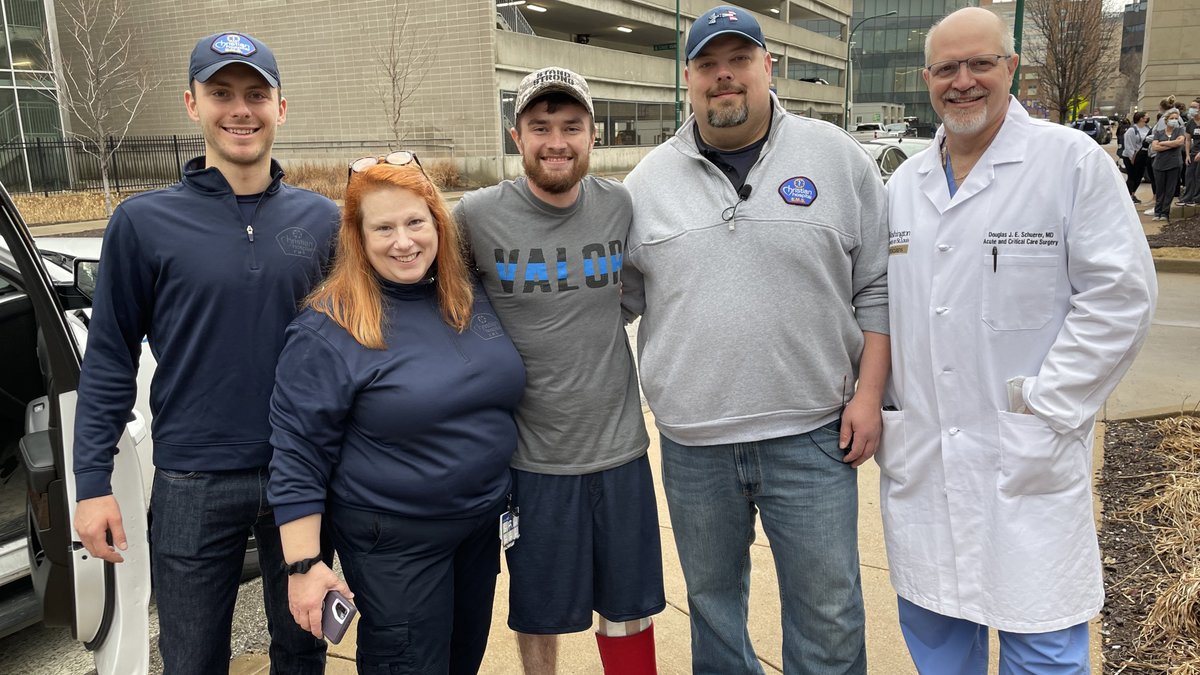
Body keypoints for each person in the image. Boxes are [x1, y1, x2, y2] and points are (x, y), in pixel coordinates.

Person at [879, 7, 1157, 673]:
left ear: (1011, 69)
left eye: (980, 64)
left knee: (1043, 649)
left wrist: (1049, 405)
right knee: (940, 643)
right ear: (928, 79)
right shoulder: (902, 187)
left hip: (1026, 454)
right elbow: (882, 307)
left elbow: (1121, 297)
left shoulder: (1070, 164)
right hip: (926, 461)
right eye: (947, 68)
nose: (963, 81)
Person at [622, 5, 890, 673]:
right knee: (713, 609)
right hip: (693, 443)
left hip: (813, 434)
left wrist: (870, 393)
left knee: (828, 612)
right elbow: (611, 305)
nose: (724, 77)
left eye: (739, 60)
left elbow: (877, 288)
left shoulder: (838, 159)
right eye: (708, 65)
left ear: (769, 67)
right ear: (688, 78)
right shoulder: (645, 184)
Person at [71, 33, 340, 674]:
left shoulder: (325, 220)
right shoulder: (142, 223)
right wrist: (91, 484)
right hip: (193, 480)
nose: (240, 110)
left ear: (282, 107)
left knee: (302, 655)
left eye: (256, 94)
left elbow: (357, 347)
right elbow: (109, 356)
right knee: (191, 661)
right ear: (192, 103)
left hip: (302, 476)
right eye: (221, 93)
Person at [267, 155, 526, 673]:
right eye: (383, 227)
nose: (403, 241)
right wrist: (302, 564)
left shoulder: (464, 296)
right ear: (358, 238)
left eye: (415, 222)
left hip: (478, 529)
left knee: (461, 661)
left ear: (437, 223)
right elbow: (297, 452)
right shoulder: (329, 326)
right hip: (397, 543)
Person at [454, 67, 663, 674]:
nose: (556, 141)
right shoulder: (476, 216)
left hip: (620, 449)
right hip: (531, 462)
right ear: (515, 135)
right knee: (538, 609)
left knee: (629, 607)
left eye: (571, 126)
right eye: (540, 126)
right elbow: (450, 310)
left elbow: (629, 296)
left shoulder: (618, 206)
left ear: (591, 135)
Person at [1151, 108, 1187, 220]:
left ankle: (1165, 213)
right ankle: (1157, 212)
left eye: (1176, 119)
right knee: (1160, 189)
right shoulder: (1158, 133)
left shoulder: (1180, 131)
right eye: (1172, 118)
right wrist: (1172, 144)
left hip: (1174, 164)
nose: (1174, 120)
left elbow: (1180, 142)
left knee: (1170, 189)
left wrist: (1164, 143)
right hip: (1159, 165)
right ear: (1166, 121)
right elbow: (1155, 147)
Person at [1122, 111, 1151, 202]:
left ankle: (1133, 194)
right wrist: (1132, 158)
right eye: (1146, 116)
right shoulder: (1132, 130)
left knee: (1139, 176)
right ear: (1141, 118)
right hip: (1131, 157)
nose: (1147, 118)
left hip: (1142, 156)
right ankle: (1127, 195)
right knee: (1132, 176)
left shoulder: (1148, 128)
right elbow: (1128, 145)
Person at [1179, 99, 1200, 206]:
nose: (1192, 109)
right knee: (1189, 175)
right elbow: (1187, 140)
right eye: (1191, 106)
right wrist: (1187, 155)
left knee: (1198, 175)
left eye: (1194, 107)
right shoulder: (1190, 123)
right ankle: (1187, 198)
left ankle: (1197, 199)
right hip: (1193, 152)